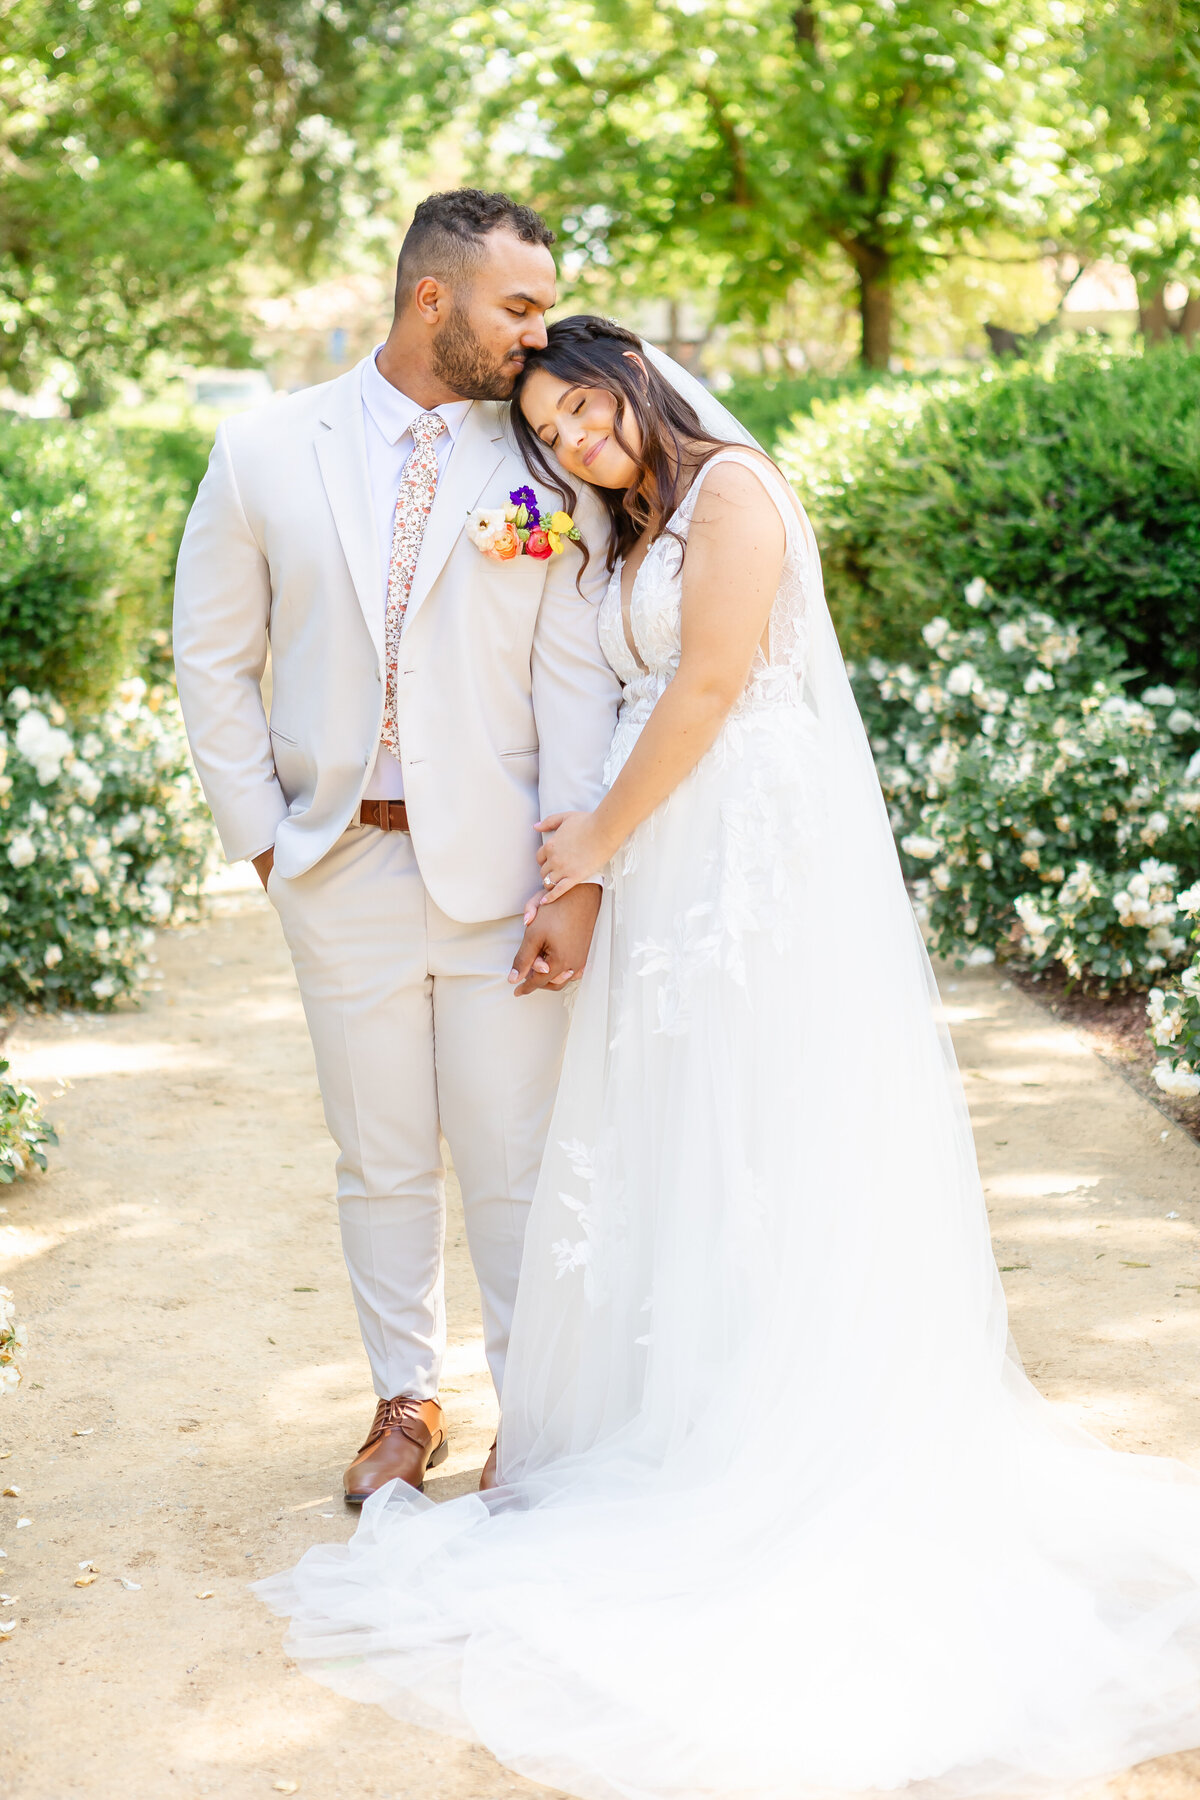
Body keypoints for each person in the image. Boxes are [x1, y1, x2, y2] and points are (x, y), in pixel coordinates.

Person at [256, 316, 1200, 1800]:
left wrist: (594, 845)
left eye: (581, 409)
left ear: (635, 380)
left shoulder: (738, 495)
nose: (571, 442)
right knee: (669, 1139)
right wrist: (603, 863)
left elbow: (705, 689)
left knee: (761, 1136)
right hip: (667, 864)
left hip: (738, 857)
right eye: (551, 431)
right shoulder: (624, 523)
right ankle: (672, 1422)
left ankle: (784, 1448)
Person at [173, 195, 621, 1505]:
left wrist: (576, 877)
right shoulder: (264, 449)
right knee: (377, 1155)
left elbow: (576, 676)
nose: (544, 335)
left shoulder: (546, 458)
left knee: (512, 1158)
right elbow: (213, 659)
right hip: (335, 867)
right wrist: (265, 844)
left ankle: (532, 1417)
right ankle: (404, 1401)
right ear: (434, 299)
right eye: (520, 308)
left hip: (502, 876)